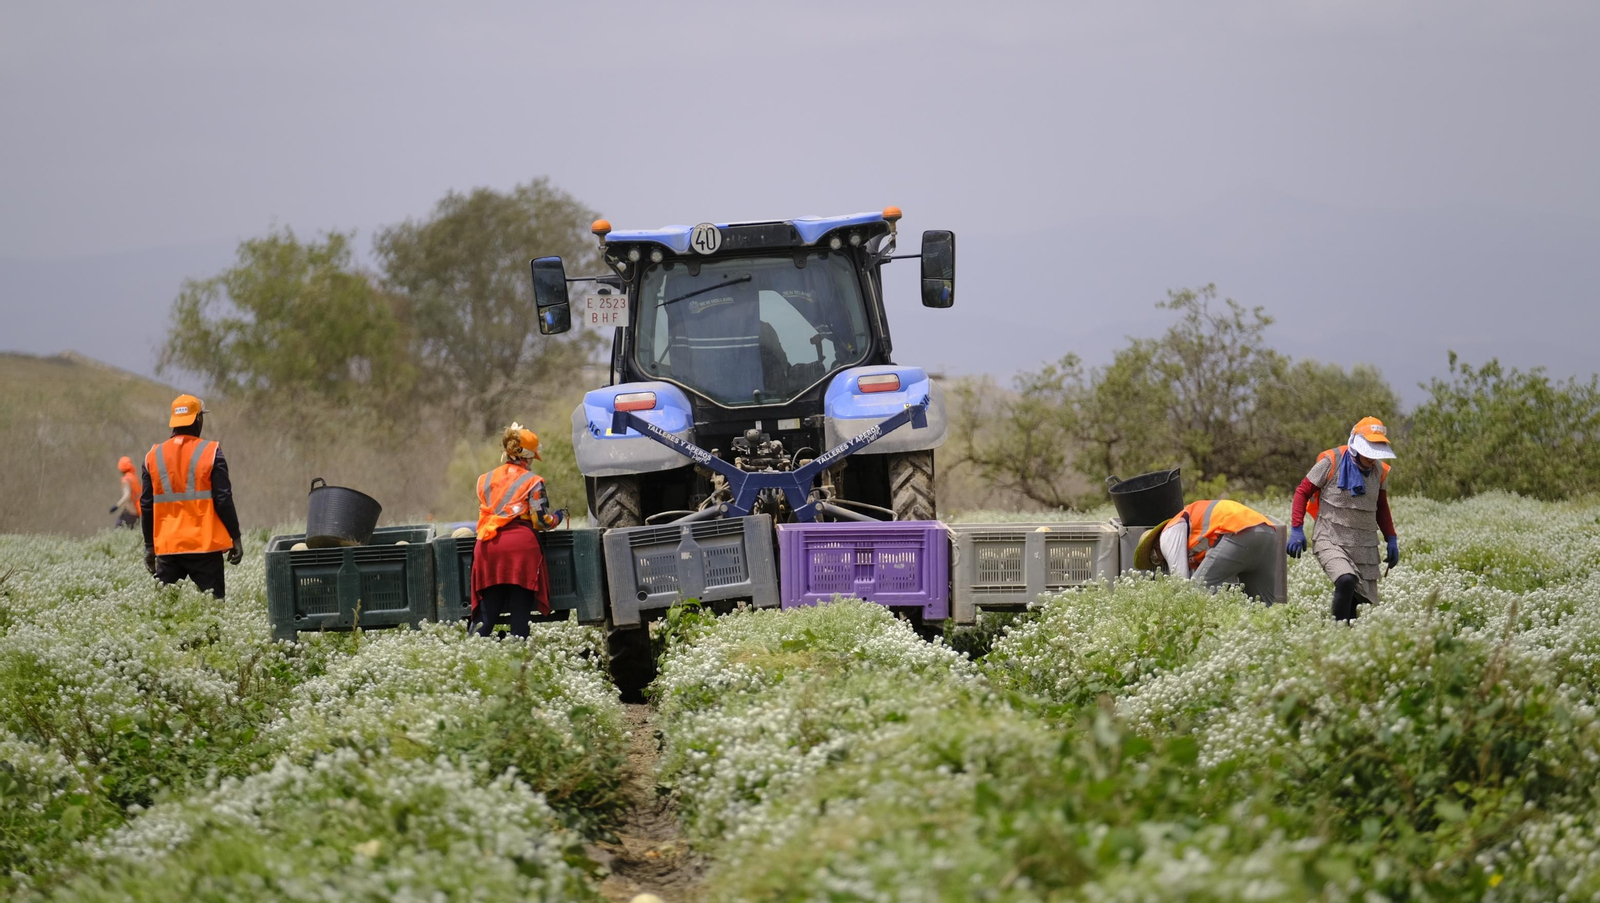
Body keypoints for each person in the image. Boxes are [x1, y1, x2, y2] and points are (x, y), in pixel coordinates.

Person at [1286, 416, 1399, 621]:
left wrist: (1391, 538)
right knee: (1346, 580)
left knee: (1357, 600)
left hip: (1362, 543)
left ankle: (1345, 639)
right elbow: (1302, 492)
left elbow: (1381, 507)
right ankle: (1336, 633)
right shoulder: (1331, 461)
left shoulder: (1379, 472)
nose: (1372, 457)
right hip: (1330, 537)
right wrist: (1296, 529)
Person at [141, 395, 243, 599]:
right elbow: (223, 499)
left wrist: (149, 547)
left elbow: (146, 506)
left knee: (164, 613)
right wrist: (236, 537)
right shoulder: (211, 452)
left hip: (168, 547)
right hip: (204, 546)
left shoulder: (152, 456)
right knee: (213, 610)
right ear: (198, 420)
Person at [471, 423, 566, 637]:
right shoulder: (533, 481)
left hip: (487, 546)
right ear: (527, 456)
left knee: (488, 612)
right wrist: (558, 517)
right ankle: (516, 658)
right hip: (520, 551)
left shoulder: (484, 480)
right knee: (520, 611)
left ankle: (473, 650)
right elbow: (541, 521)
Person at [1133, 499, 1282, 605]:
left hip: (1238, 532)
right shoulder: (1190, 539)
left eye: (1154, 557)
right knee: (1262, 606)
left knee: (1196, 592)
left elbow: (1182, 583)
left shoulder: (1167, 534)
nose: (1160, 562)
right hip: (1267, 531)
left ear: (1156, 545)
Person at [110, 456, 141, 529]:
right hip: (137, 511)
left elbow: (127, 495)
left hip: (130, 511)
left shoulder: (126, 480)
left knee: (118, 528)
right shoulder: (134, 478)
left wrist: (116, 506)